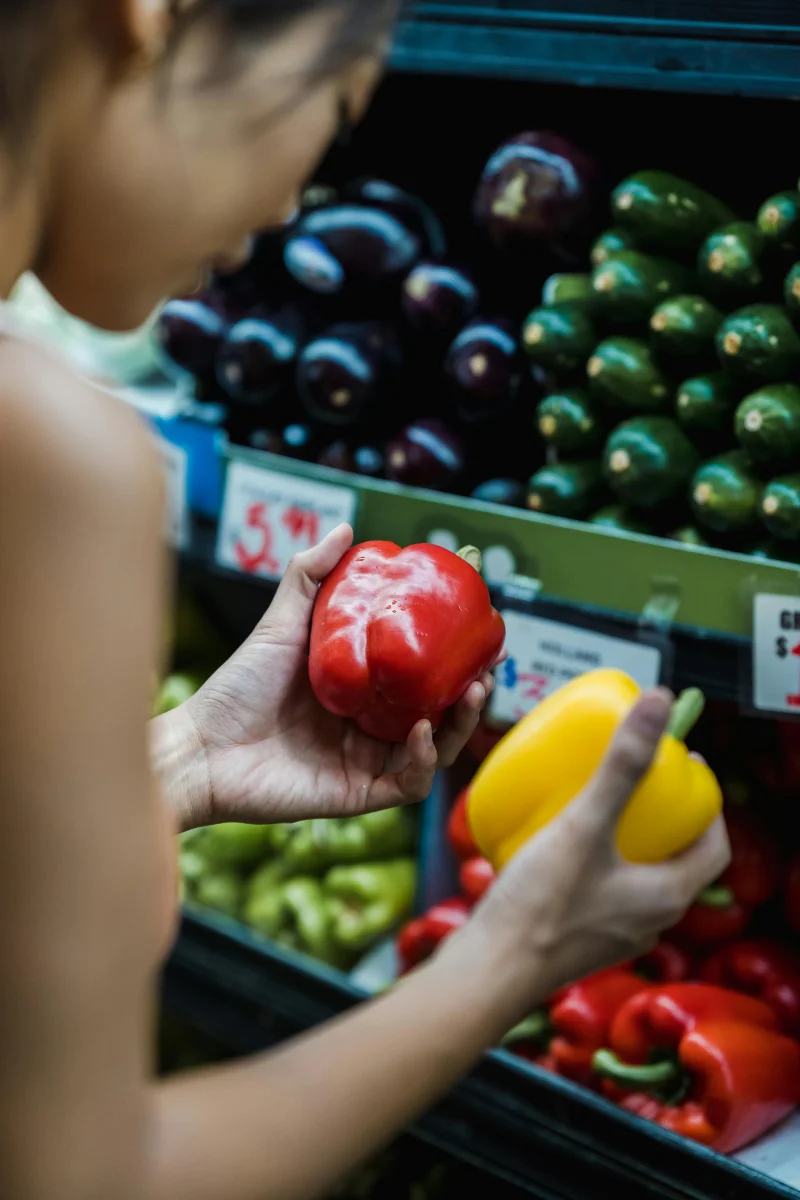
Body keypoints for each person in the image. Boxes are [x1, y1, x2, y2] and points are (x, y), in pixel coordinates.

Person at [0, 2, 730, 1198]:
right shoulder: (45, 458)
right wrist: (510, 958)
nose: (293, 207)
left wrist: (184, 760)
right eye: (328, 111)